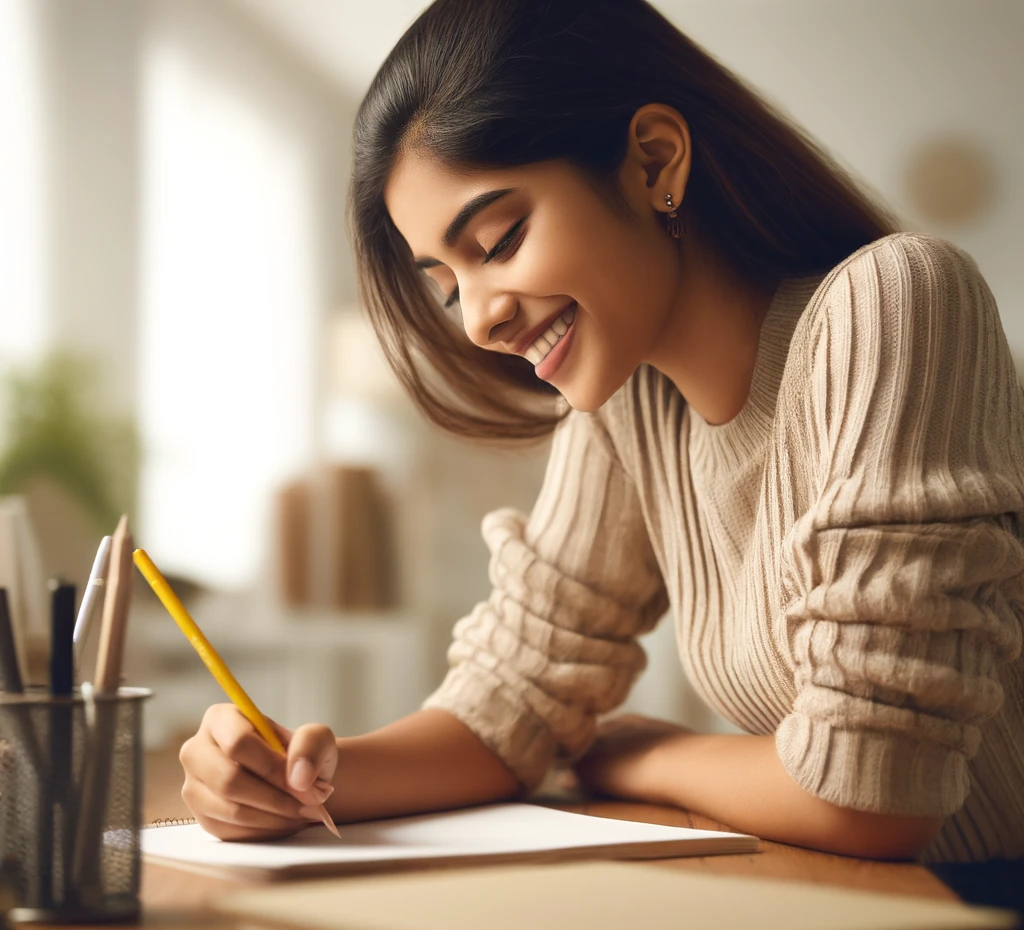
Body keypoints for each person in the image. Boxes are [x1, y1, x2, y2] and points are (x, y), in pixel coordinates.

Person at [179, 0, 1024, 864]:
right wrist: (299, 780)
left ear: (654, 159)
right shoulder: (630, 401)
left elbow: (873, 791)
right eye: (446, 284)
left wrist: (646, 755)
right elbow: (516, 697)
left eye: (500, 240)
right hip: (863, 917)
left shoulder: (896, 303)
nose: (478, 321)